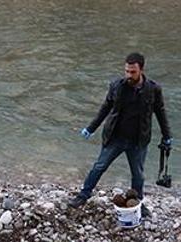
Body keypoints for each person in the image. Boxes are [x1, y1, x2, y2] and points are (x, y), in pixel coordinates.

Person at [68, 52, 173, 217]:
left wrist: (167, 136)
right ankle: (83, 195)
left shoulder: (153, 89)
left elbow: (160, 113)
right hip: (115, 137)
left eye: (133, 72)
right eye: (126, 71)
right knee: (99, 166)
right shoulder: (117, 86)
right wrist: (91, 128)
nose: (128, 75)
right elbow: (105, 107)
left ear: (141, 70)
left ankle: (137, 203)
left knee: (138, 174)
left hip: (138, 140)